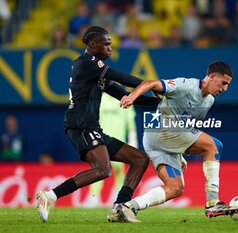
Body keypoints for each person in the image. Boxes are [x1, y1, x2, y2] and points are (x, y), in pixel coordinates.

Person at [35, 26, 159, 223]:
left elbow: (124, 94)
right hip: (80, 125)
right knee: (104, 169)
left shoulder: (97, 73)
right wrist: (153, 85)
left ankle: (120, 207)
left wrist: (161, 102)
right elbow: (121, 77)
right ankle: (50, 196)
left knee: (140, 159)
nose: (110, 48)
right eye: (107, 44)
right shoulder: (86, 63)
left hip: (92, 128)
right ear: (93, 44)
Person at [116, 61, 238, 222]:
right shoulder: (186, 86)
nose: (224, 89)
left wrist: (179, 152)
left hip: (159, 141)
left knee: (175, 188)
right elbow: (151, 83)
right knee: (214, 146)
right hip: (161, 130)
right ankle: (213, 202)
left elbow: (186, 125)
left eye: (227, 85)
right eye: (223, 83)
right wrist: (132, 96)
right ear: (212, 76)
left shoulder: (209, 101)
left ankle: (127, 207)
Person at [86, 92, 139, 207]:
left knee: (119, 169)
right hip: (101, 139)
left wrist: (133, 139)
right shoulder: (100, 99)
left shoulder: (126, 100)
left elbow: (130, 122)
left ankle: (118, 197)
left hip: (119, 140)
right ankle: (93, 197)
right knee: (100, 167)